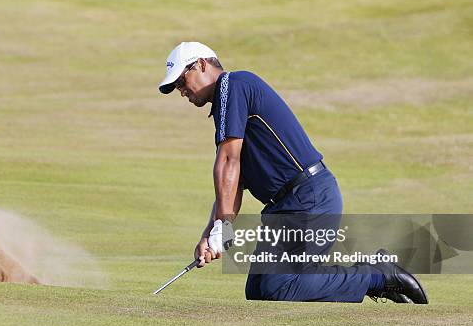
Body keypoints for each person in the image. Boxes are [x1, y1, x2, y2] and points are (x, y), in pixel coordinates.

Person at [158, 42, 428, 303]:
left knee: (279, 287)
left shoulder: (233, 84)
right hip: (287, 206)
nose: (181, 91)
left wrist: (222, 226)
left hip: (308, 198)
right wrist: (211, 233)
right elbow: (234, 183)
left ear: (202, 64)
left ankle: (379, 276)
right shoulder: (225, 107)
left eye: (182, 81)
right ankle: (374, 274)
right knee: (259, 290)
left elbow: (228, 161)